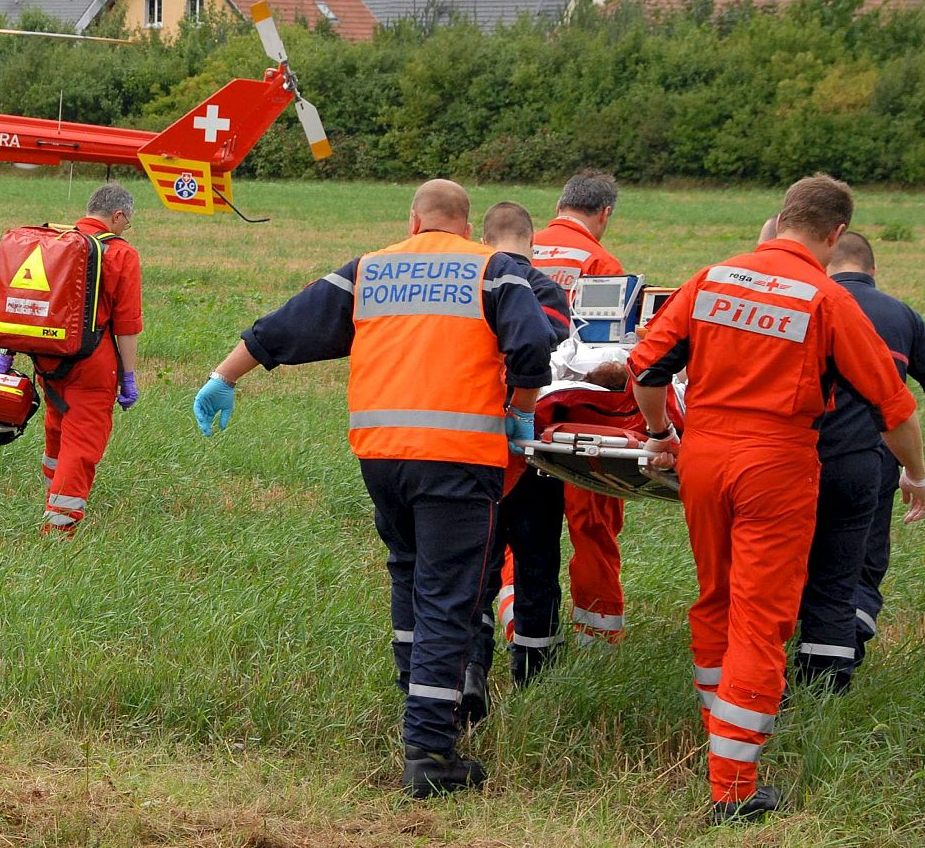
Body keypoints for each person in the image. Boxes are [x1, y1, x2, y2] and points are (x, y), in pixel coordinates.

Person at [191, 180, 556, 796]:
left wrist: (223, 375)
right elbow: (533, 344)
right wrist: (520, 408)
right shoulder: (492, 270)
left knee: (408, 576)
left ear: (413, 221)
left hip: (382, 455)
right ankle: (430, 751)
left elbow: (286, 326)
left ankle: (414, 705)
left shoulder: (371, 270)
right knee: (448, 595)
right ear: (464, 227)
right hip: (460, 458)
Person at [629, 175, 925, 825]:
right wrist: (917, 473)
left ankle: (720, 736)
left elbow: (646, 367)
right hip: (776, 465)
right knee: (762, 620)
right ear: (836, 234)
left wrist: (661, 434)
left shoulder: (711, 279)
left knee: (717, 600)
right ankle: (734, 786)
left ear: (780, 216)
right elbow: (892, 406)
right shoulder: (826, 298)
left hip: (705, 458)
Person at [796, 231, 925, 687]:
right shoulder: (902, 315)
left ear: (829, 260)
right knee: (855, 574)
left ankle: (795, 654)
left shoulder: (811, 300)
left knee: (805, 564)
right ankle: (836, 660)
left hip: (798, 458)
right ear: (873, 271)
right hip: (872, 465)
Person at [512, 168, 628, 666]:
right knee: (591, 522)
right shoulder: (600, 261)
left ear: (560, 204)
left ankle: (516, 618)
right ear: (603, 215)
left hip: (519, 405)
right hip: (574, 411)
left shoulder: (526, 246)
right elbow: (608, 343)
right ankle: (596, 639)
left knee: (518, 525)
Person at [466, 201, 569, 723]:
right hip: (536, 451)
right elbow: (554, 354)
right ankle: (535, 672)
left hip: (475, 448)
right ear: (533, 241)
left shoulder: (474, 283)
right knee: (536, 563)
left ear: (484, 240)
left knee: (476, 568)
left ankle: (469, 676)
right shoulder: (546, 289)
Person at [0, 183, 142, 533]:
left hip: (47, 358)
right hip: (93, 362)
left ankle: (52, 500)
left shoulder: (54, 244)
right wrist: (128, 377)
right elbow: (128, 324)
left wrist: (6, 354)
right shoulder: (120, 254)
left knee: (57, 429)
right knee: (83, 442)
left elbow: (26, 302)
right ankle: (60, 527)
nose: (125, 230)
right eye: (126, 223)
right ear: (117, 216)